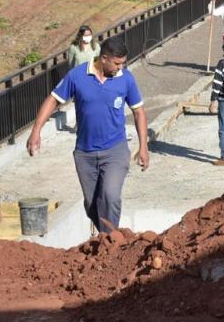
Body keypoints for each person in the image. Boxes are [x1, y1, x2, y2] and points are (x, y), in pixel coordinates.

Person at [26, 35, 148, 233]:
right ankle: (104, 236)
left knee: (110, 195)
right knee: (92, 203)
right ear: (104, 58)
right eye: (117, 63)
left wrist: (143, 146)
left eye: (123, 64)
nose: (120, 68)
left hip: (115, 150)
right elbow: (53, 100)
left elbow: (139, 111)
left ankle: (111, 239)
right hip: (85, 153)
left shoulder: (126, 79)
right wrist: (36, 131)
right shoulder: (77, 76)